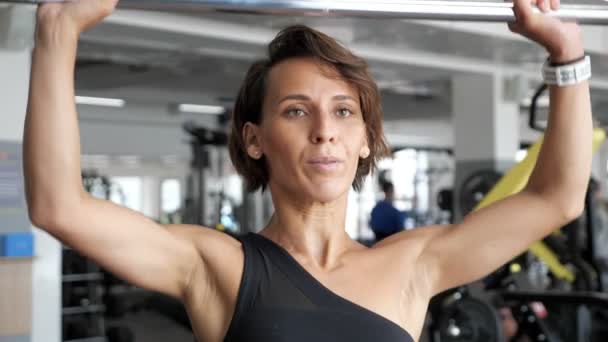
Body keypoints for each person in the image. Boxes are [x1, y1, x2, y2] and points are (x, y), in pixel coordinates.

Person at [25, 0, 592, 341]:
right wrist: (58, 29)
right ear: (254, 139)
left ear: (366, 140)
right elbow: (59, 206)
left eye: (344, 112)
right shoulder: (216, 266)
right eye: (296, 110)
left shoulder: (414, 265)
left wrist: (568, 54)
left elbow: (557, 198)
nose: (324, 129)